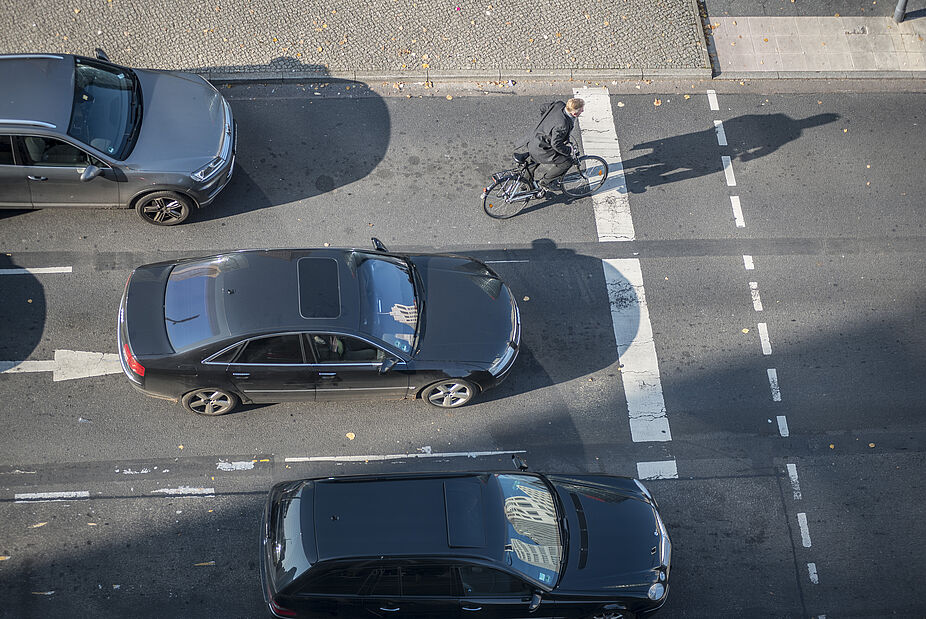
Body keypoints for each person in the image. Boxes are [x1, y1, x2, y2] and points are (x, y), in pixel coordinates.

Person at [524, 97, 584, 192]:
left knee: (533, 161)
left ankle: (525, 183)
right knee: (566, 162)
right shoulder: (563, 124)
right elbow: (556, 144)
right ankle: (546, 181)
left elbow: (543, 107)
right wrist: (569, 151)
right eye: (581, 110)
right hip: (542, 148)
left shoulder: (559, 105)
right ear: (574, 113)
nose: (583, 111)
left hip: (535, 140)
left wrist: (546, 124)